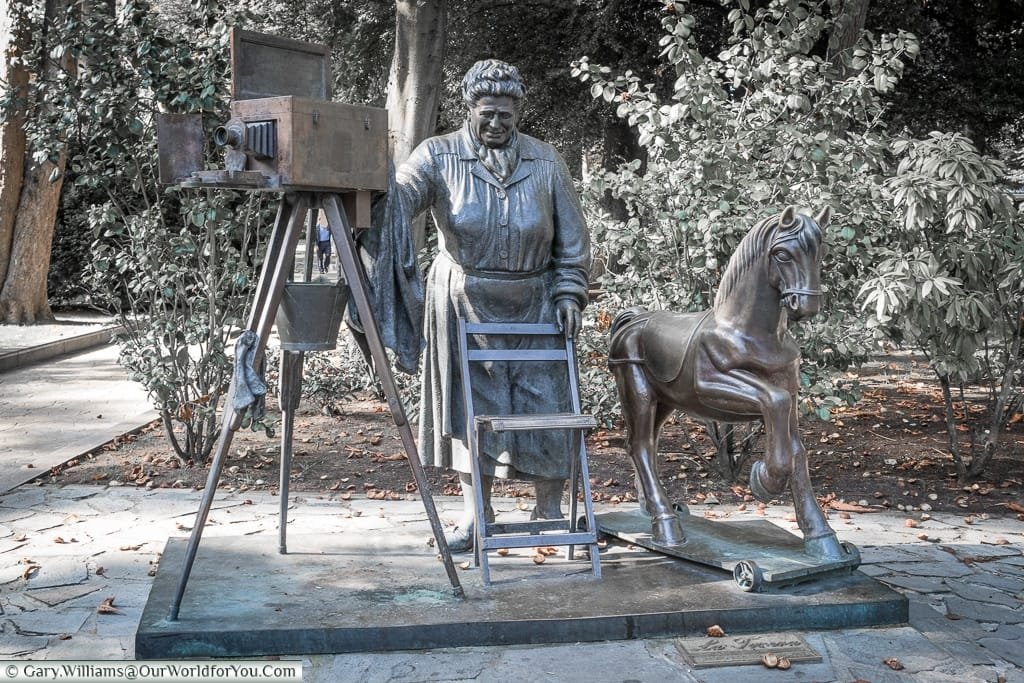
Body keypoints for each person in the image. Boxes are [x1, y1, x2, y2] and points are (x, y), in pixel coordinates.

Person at [394, 60, 591, 551]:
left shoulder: (547, 163)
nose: (497, 124)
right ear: (469, 110)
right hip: (464, 303)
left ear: (519, 110)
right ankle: (475, 515)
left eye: (506, 113)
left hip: (537, 302)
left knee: (548, 402)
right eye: (487, 113)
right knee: (469, 407)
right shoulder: (437, 156)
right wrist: (364, 190)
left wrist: (569, 291)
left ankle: (548, 508)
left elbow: (573, 241)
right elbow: (397, 200)